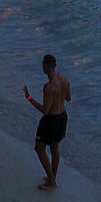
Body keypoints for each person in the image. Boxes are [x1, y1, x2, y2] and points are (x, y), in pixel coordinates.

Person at [23, 54, 71, 190]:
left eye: (42, 64)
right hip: (63, 116)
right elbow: (69, 98)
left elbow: (45, 110)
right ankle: (52, 177)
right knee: (55, 149)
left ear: (45, 66)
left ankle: (51, 181)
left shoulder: (49, 87)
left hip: (51, 120)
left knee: (39, 148)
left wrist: (29, 97)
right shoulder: (64, 79)